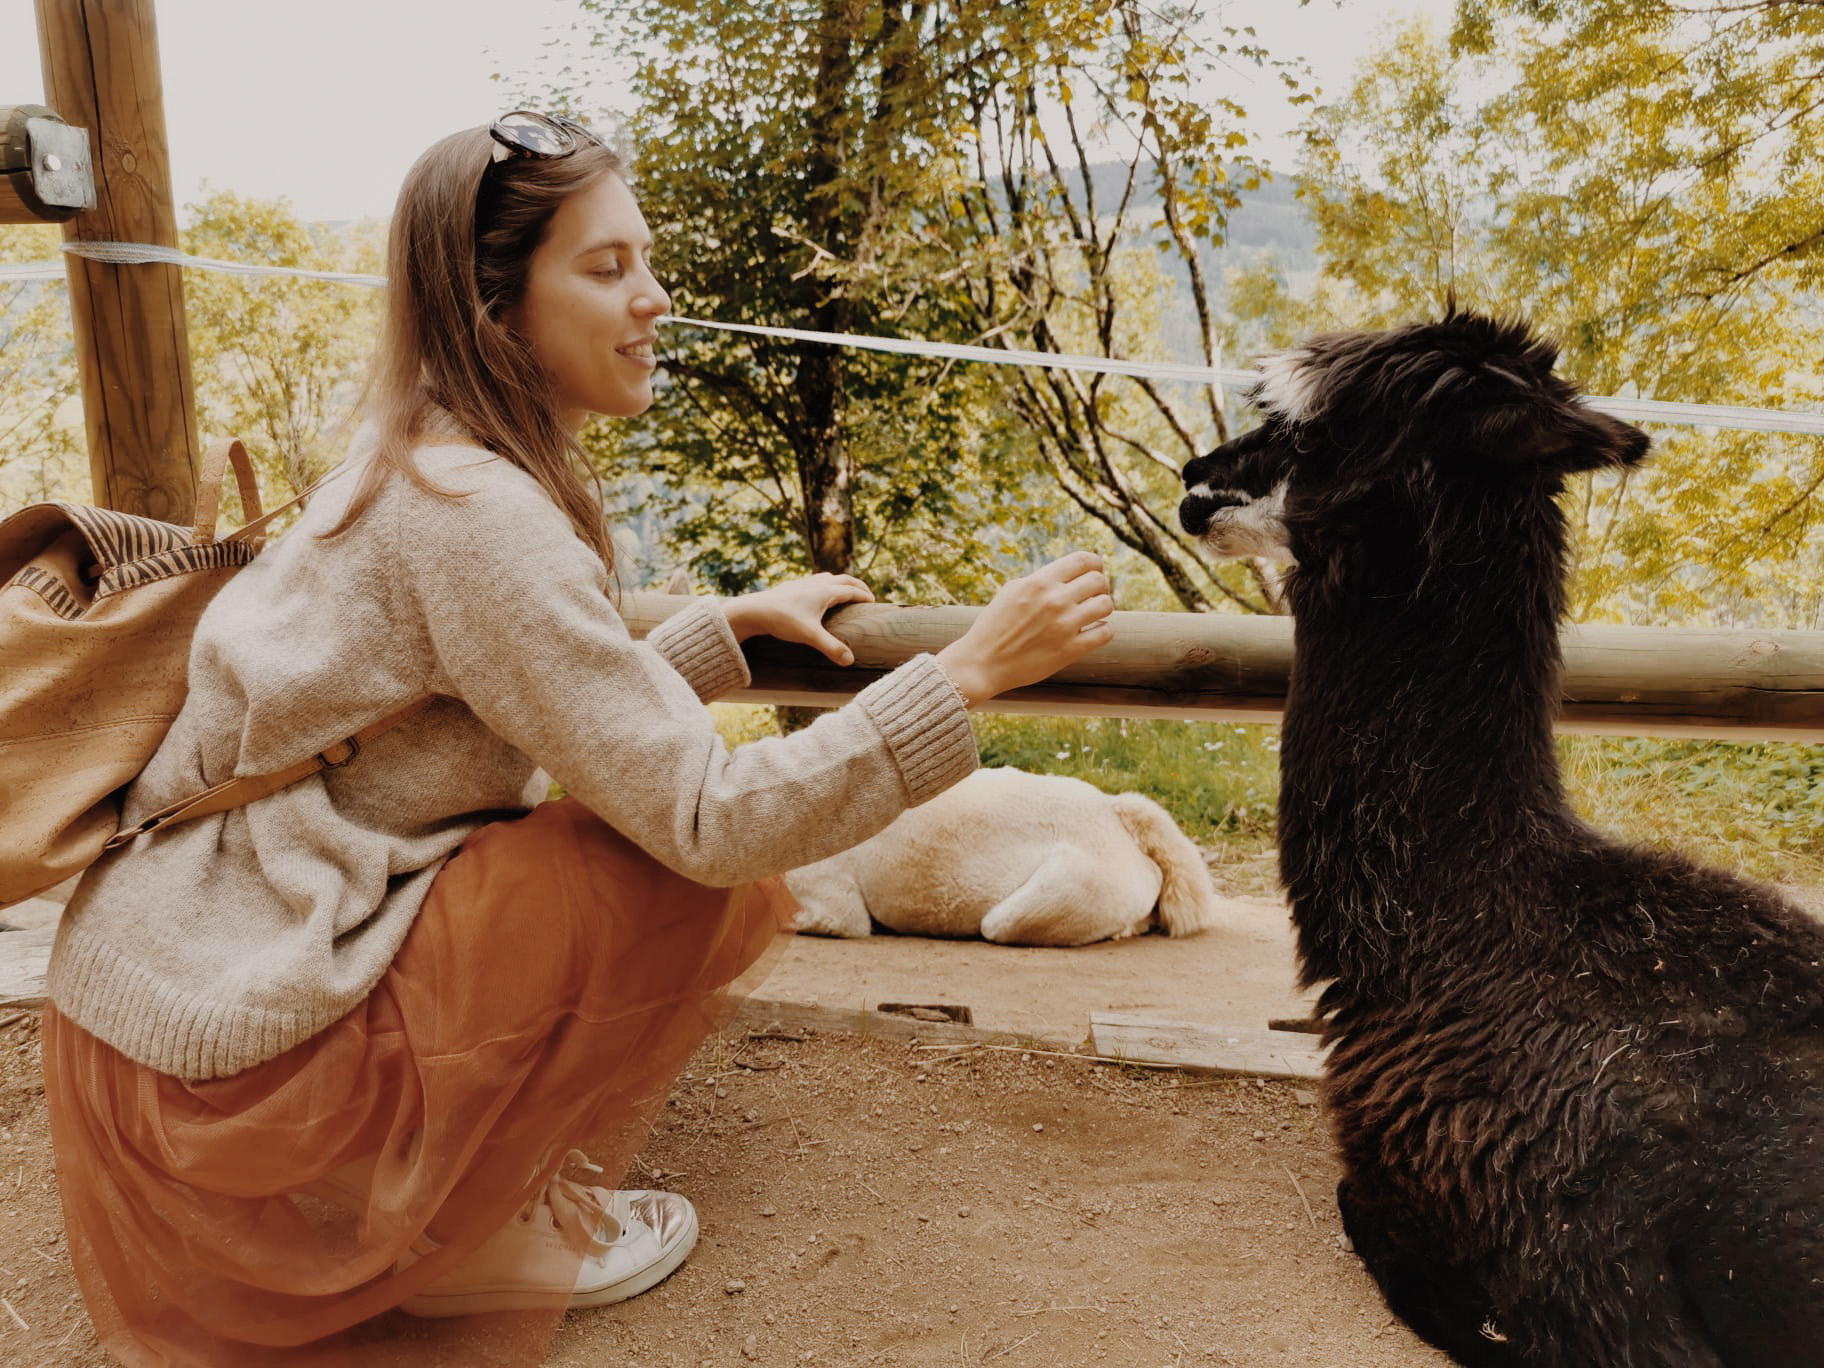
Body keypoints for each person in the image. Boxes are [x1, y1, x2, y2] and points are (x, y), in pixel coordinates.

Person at [40, 110, 1114, 1365]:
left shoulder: (416, 458)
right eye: (606, 269)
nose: (654, 299)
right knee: (648, 876)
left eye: (645, 262)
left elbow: (508, 707)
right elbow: (710, 819)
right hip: (232, 1055)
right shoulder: (479, 516)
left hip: (165, 1001)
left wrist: (716, 635)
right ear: (495, 309)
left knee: (595, 843)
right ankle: (465, 1236)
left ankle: (434, 1207)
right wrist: (967, 671)